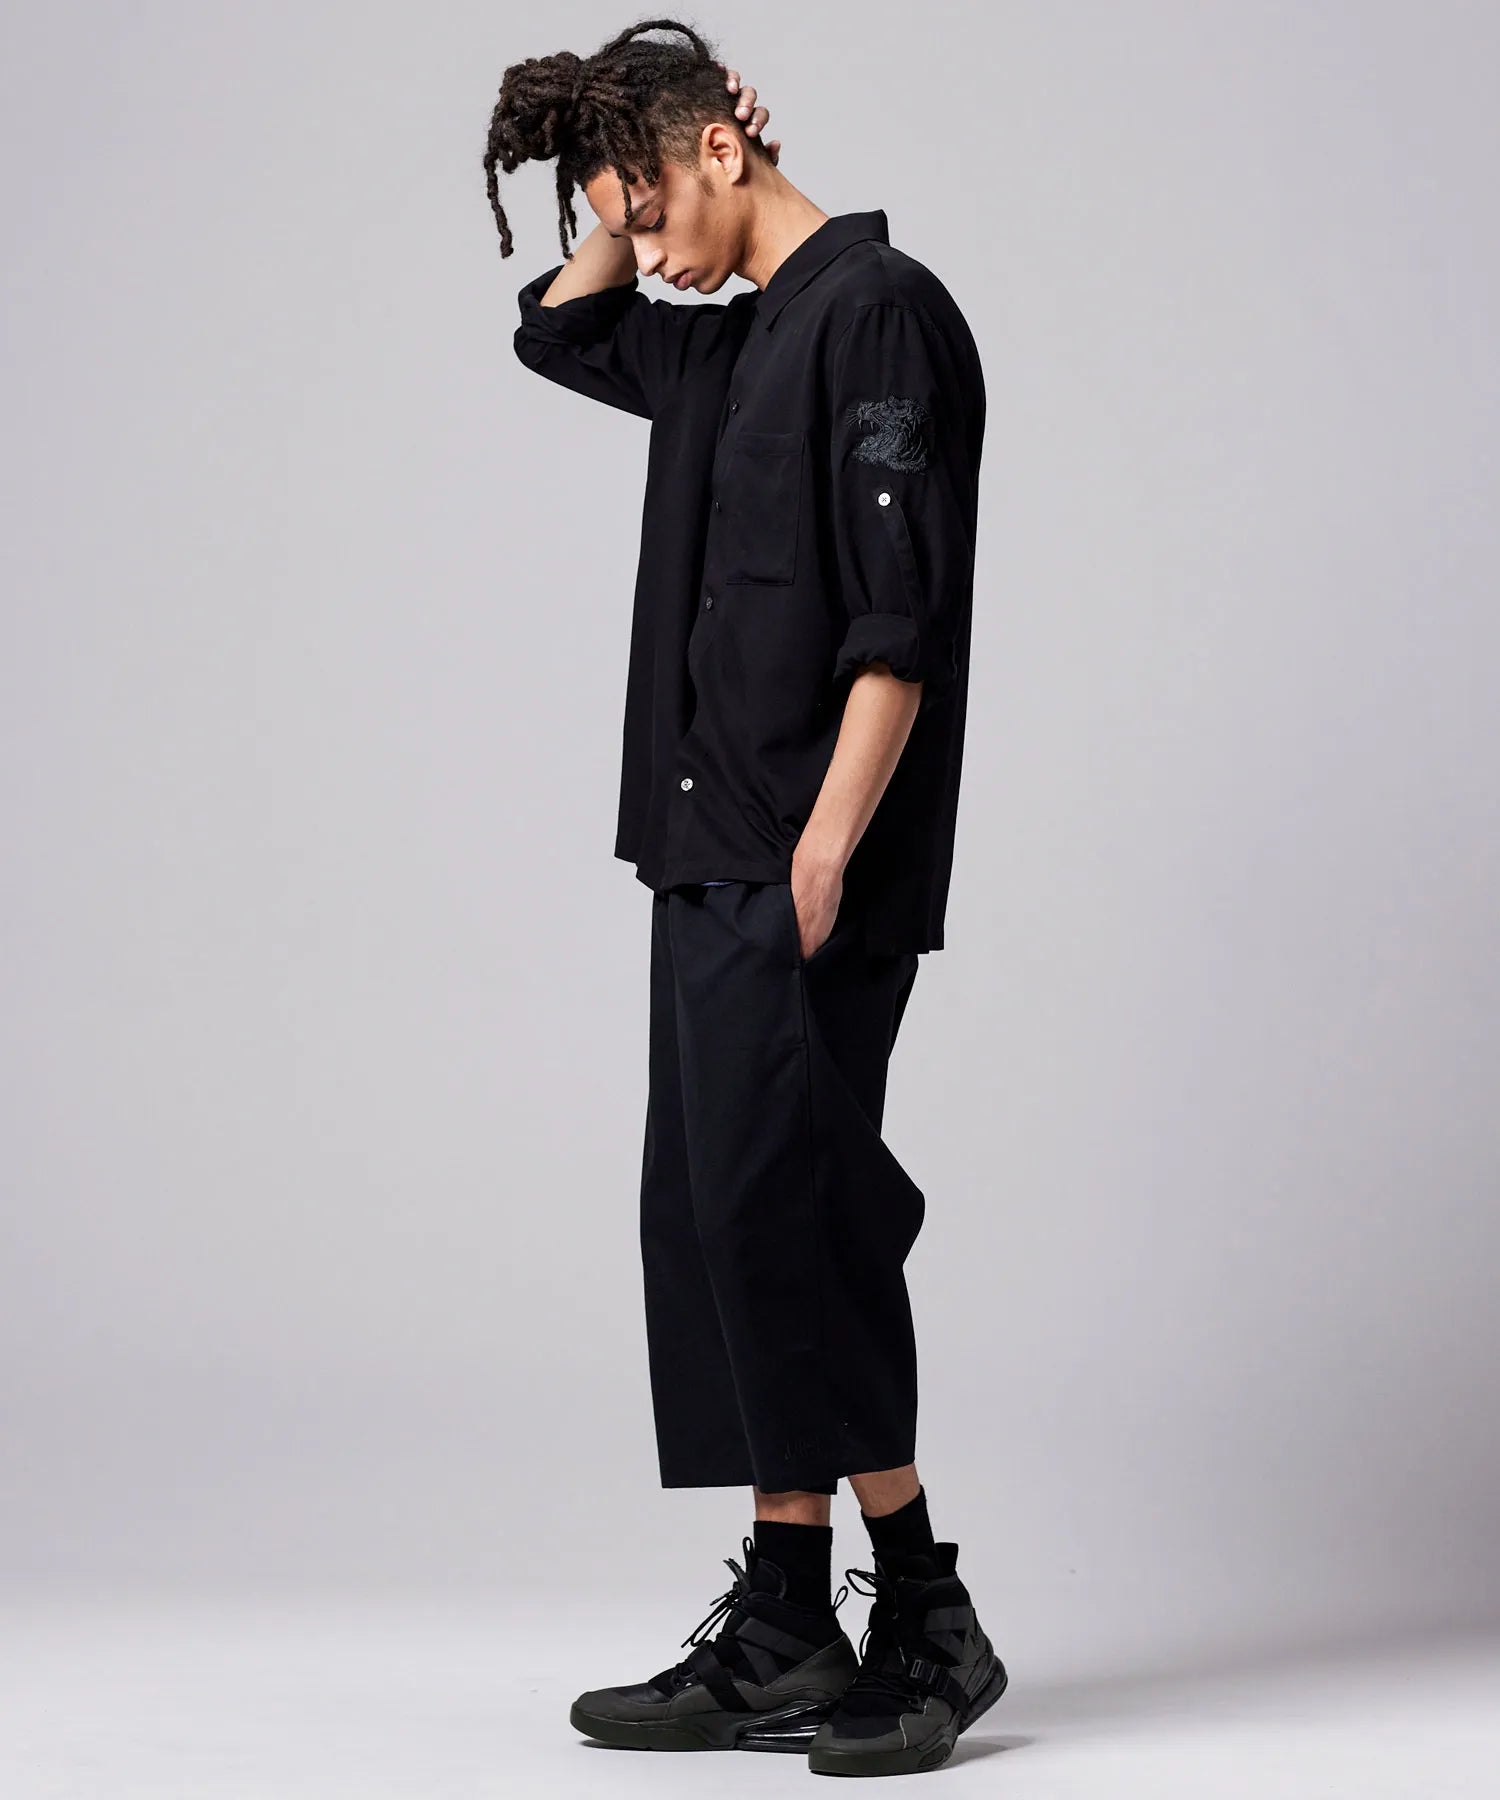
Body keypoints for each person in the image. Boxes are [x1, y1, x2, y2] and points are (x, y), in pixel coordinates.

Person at [486, 19, 1004, 1777]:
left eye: (647, 206)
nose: (638, 249)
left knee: (800, 1215)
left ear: (722, 147)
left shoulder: (879, 314)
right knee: (721, 1221)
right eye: (614, 219)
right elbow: (556, 331)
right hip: (706, 852)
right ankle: (788, 1612)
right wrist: (615, 198)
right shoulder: (722, 346)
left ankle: (925, 1609)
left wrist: (829, 852)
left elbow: (899, 617)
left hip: (806, 862)